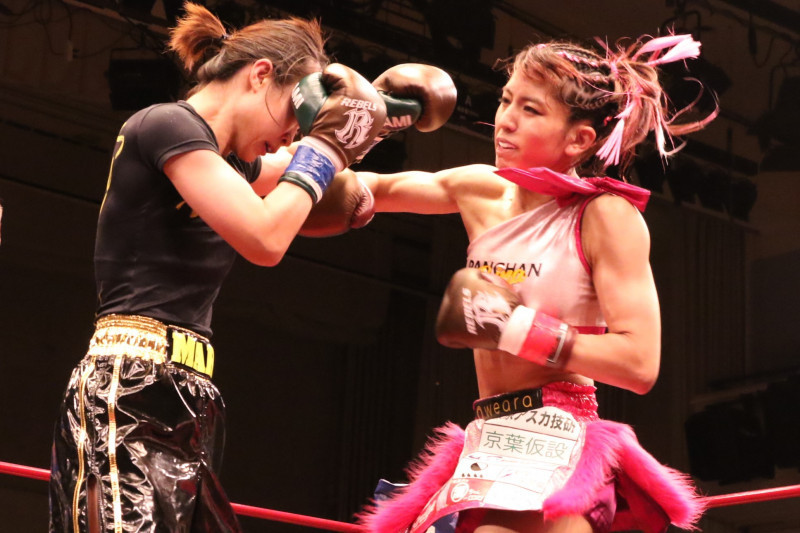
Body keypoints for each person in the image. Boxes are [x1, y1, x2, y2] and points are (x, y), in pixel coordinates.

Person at [330, 34, 717, 533]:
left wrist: (514, 328)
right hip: (489, 435)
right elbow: (349, 193)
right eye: (506, 100)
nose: (506, 119)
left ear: (578, 139)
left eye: (530, 109)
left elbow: (639, 363)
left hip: (559, 433)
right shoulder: (479, 188)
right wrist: (354, 130)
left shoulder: (605, 216)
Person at [47, 3, 392, 532]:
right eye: (294, 115)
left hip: (193, 402)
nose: (291, 136)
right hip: (128, 386)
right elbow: (265, 238)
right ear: (260, 76)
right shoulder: (166, 125)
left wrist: (372, 123)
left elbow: (329, 175)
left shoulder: (235, 165)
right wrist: (327, 145)